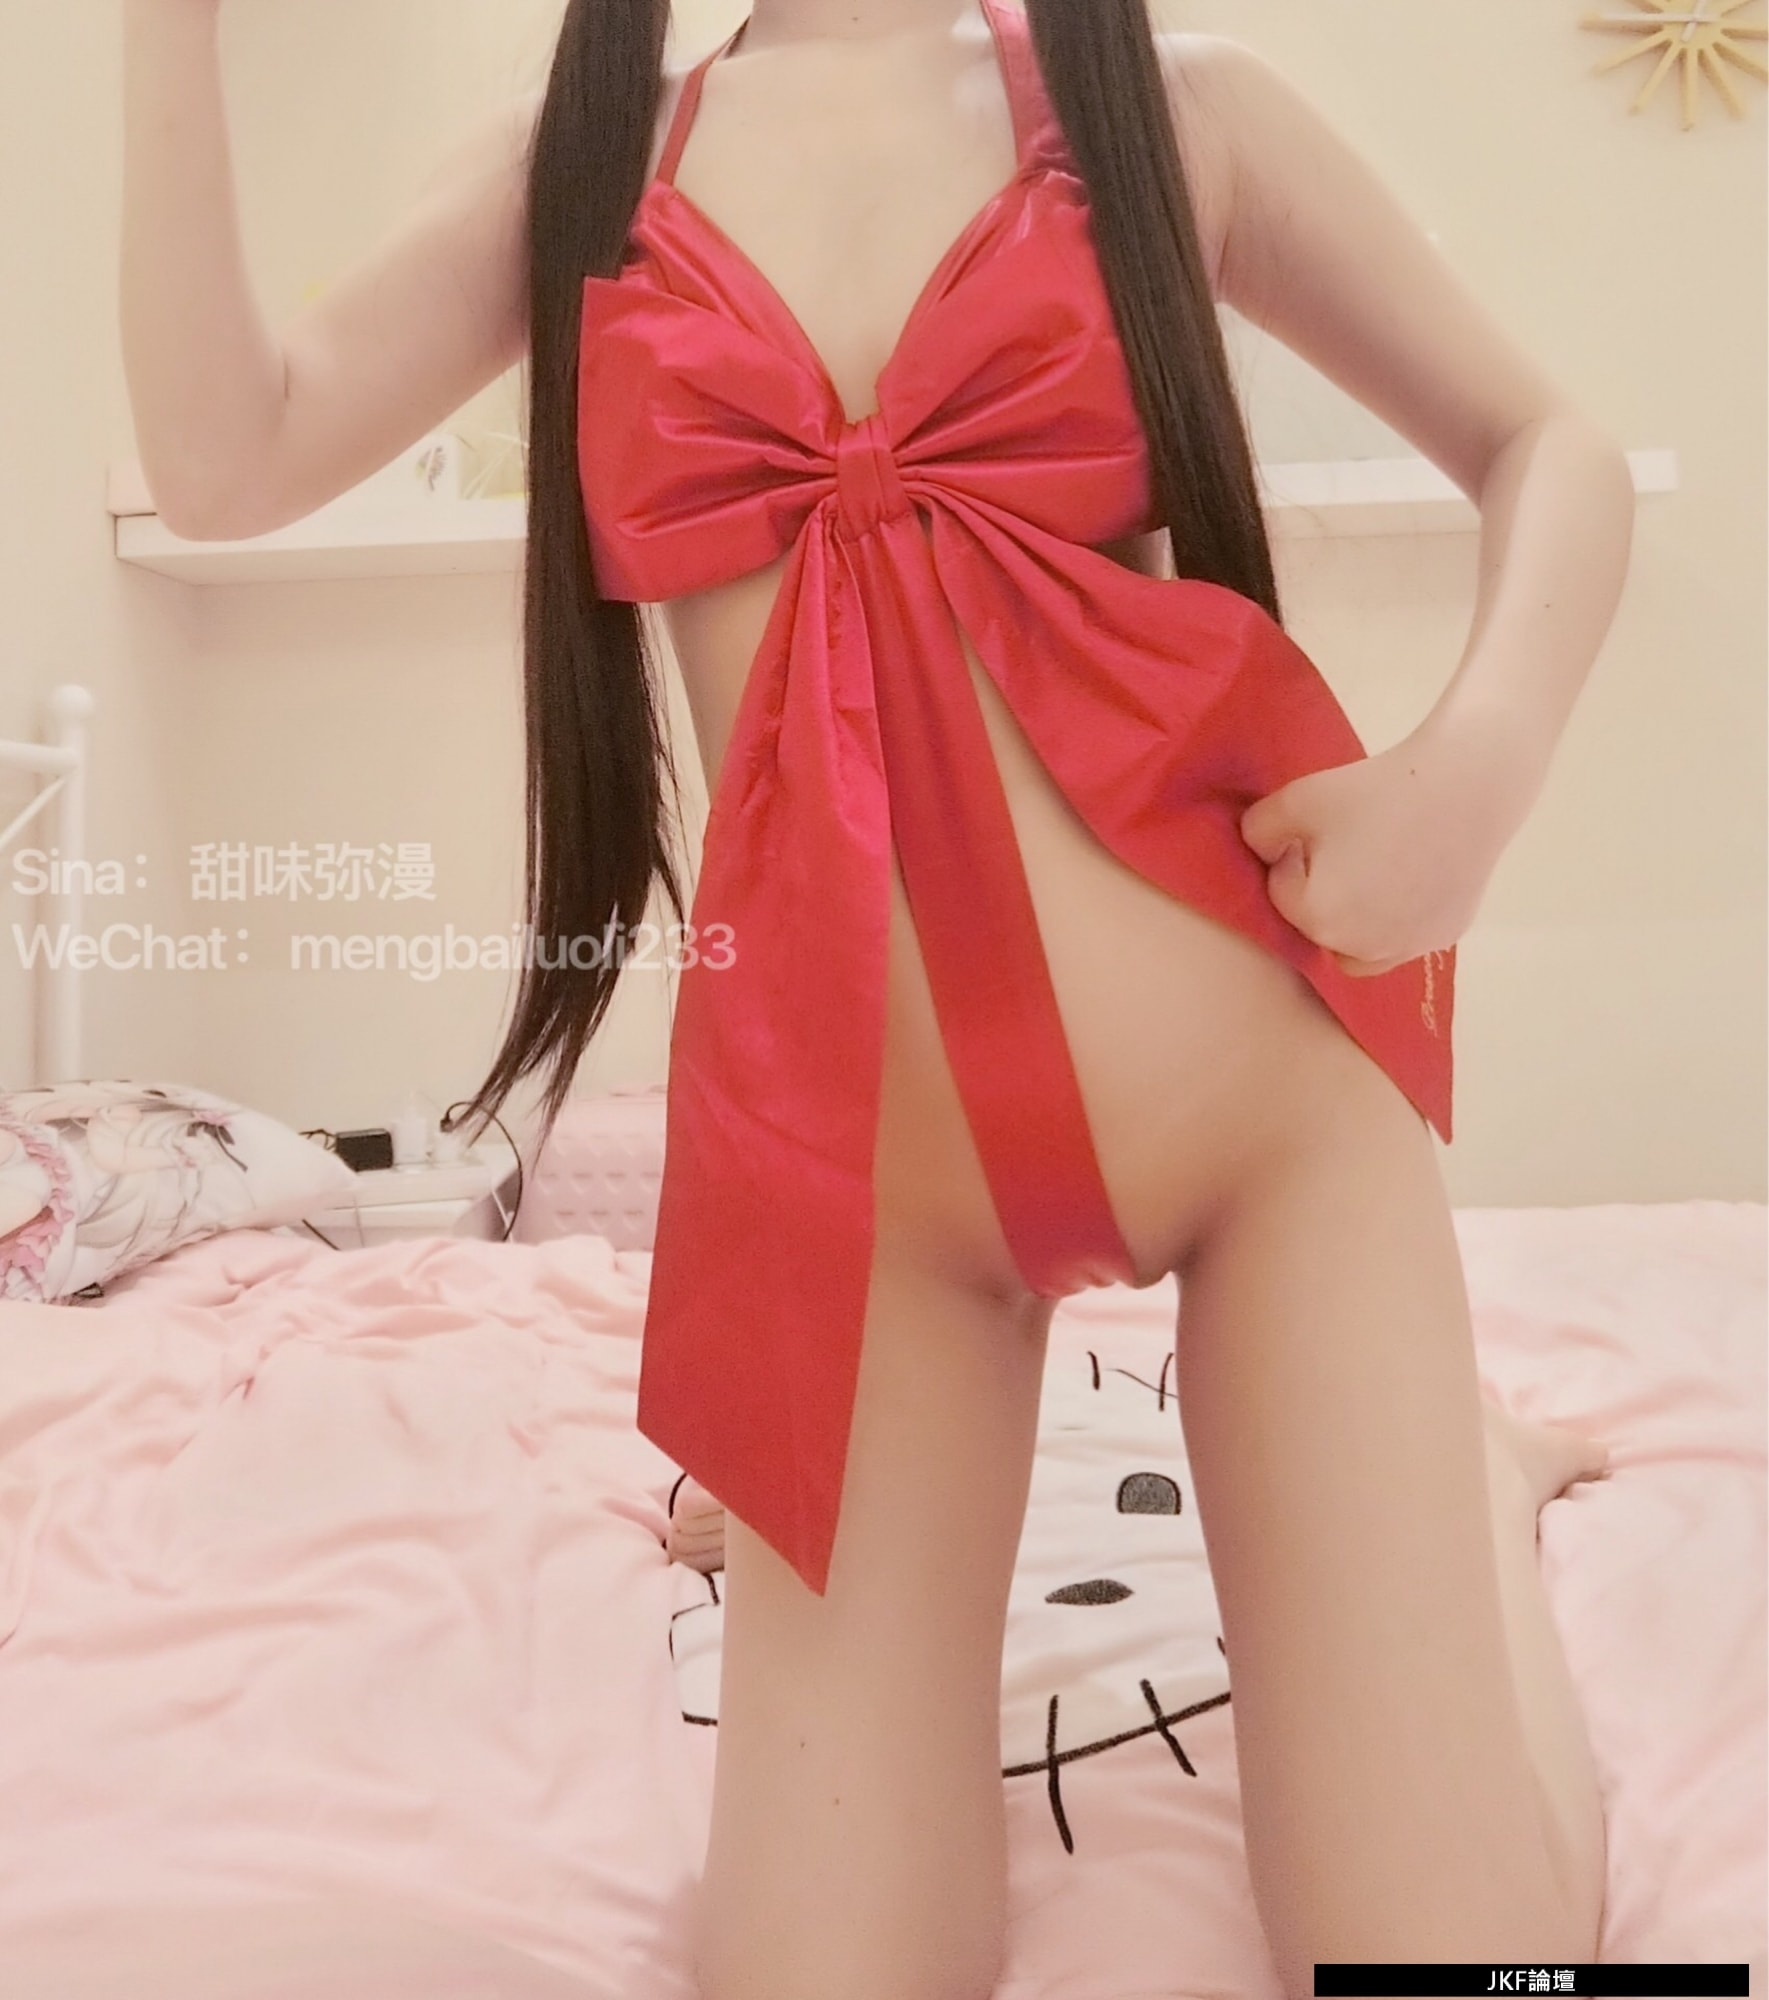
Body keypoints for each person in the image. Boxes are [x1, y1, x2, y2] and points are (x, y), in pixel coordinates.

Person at [120, 0, 1635, 1990]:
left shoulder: (1173, 110)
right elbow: (225, 460)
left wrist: (1472, 775)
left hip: (1261, 1125)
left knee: (1445, 1964)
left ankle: (1469, 1477)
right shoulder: (579, 168)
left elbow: (1551, 444)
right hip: (867, 1211)